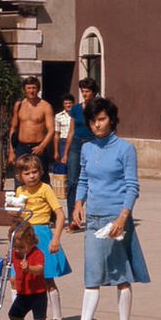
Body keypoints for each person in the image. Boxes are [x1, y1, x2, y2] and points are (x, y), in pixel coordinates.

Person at [64, 97, 149, 320]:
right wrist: (78, 204)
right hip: (94, 219)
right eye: (92, 121)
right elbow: (83, 180)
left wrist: (123, 218)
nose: (97, 125)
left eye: (101, 119)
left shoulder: (125, 149)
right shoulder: (88, 148)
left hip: (116, 219)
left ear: (111, 120)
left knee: (121, 277)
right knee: (91, 276)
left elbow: (133, 187)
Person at [9, 153, 72, 320]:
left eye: (35, 171)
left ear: (40, 172)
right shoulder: (20, 192)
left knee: (46, 279)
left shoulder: (46, 189)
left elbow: (60, 214)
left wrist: (56, 238)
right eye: (27, 173)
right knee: (15, 278)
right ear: (20, 176)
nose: (32, 176)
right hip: (23, 235)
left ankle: (58, 318)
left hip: (42, 234)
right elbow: (16, 216)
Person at [6, 223, 49, 320]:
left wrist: (29, 268)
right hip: (23, 292)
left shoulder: (37, 254)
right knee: (14, 315)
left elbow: (40, 269)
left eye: (21, 247)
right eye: (15, 246)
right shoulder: (15, 254)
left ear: (31, 243)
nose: (18, 250)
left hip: (38, 293)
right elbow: (8, 262)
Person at [63, 77, 98, 229]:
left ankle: (95, 215)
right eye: (83, 91)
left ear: (93, 92)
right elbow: (71, 131)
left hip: (92, 143)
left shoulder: (98, 107)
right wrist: (65, 152)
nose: (85, 94)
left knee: (93, 181)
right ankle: (73, 217)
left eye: (87, 91)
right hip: (76, 145)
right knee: (72, 181)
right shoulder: (76, 109)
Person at [9, 76, 55, 182]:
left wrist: (42, 146)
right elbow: (13, 128)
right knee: (20, 177)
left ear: (38, 89)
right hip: (21, 147)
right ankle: (20, 198)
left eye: (34, 88)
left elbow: (51, 129)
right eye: (29, 88)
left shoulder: (45, 106)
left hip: (38, 147)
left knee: (41, 178)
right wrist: (11, 151)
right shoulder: (19, 105)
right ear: (24, 89)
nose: (31, 91)